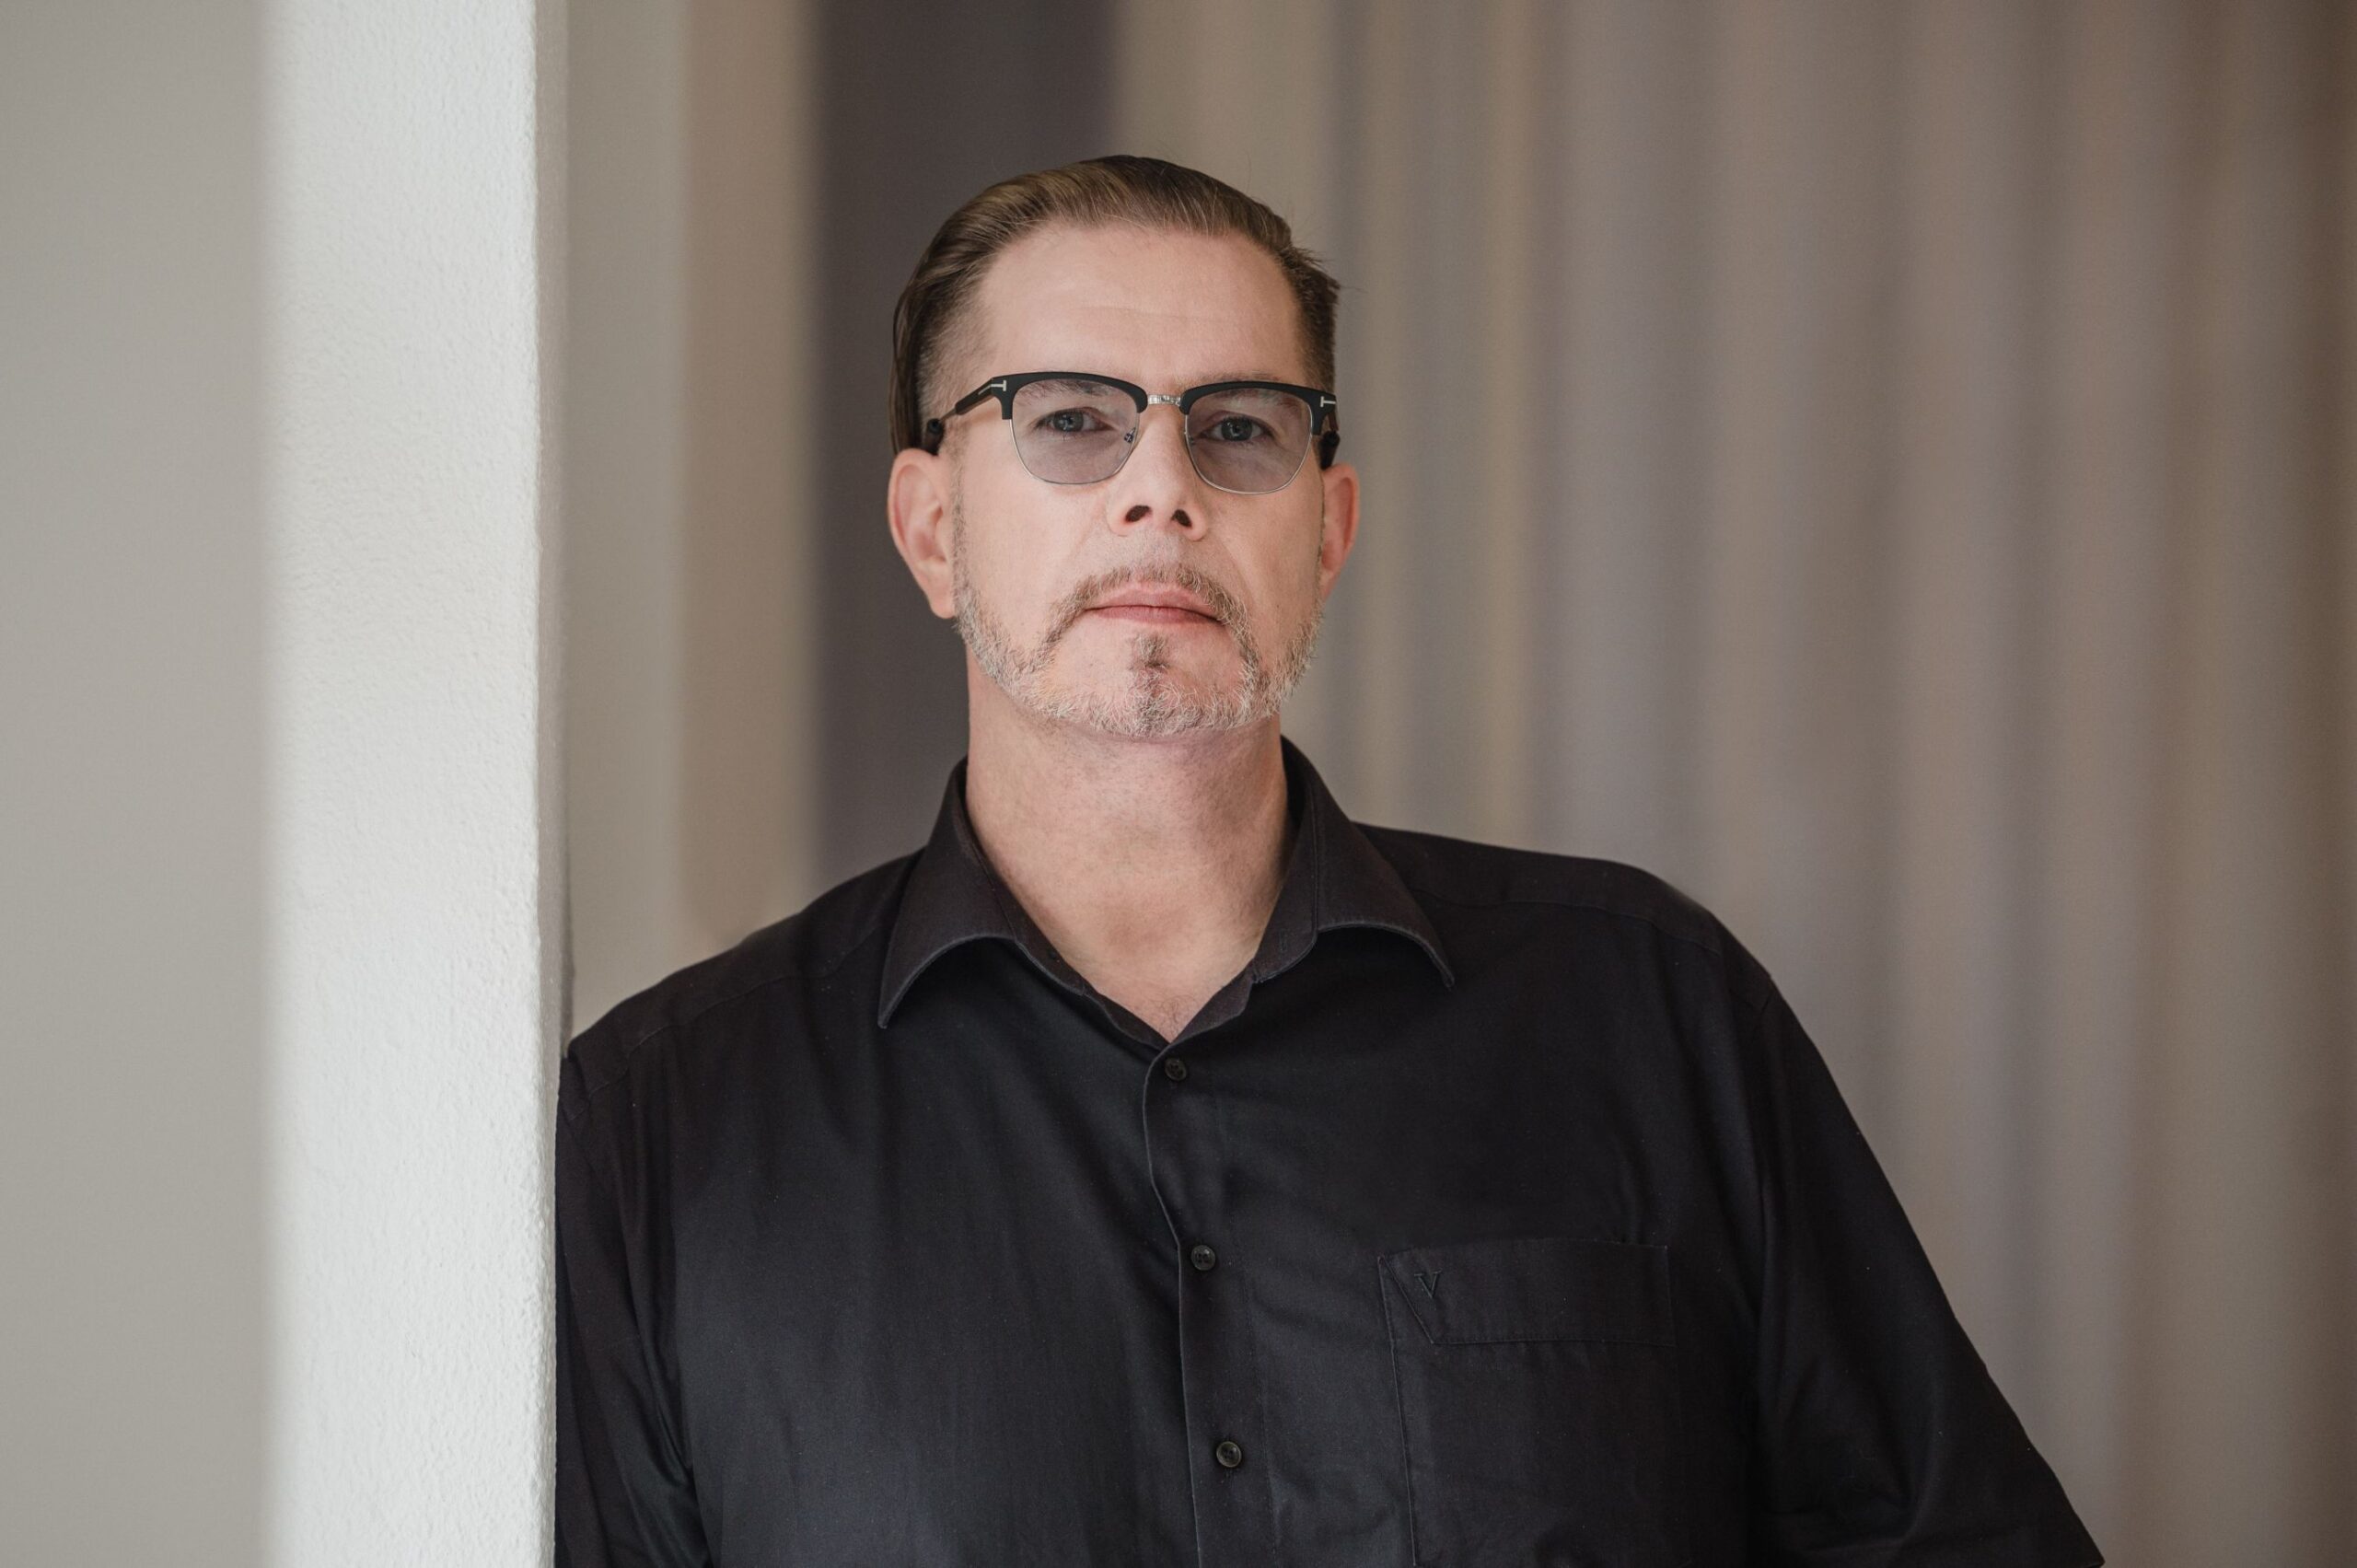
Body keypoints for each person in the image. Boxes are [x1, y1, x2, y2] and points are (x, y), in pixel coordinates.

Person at [554, 155, 2102, 1567]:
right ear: (933, 528)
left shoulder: (1650, 1008)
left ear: (1328, 531)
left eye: (1239, 428)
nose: (1163, 487)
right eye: (1071, 419)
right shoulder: (667, 1129)